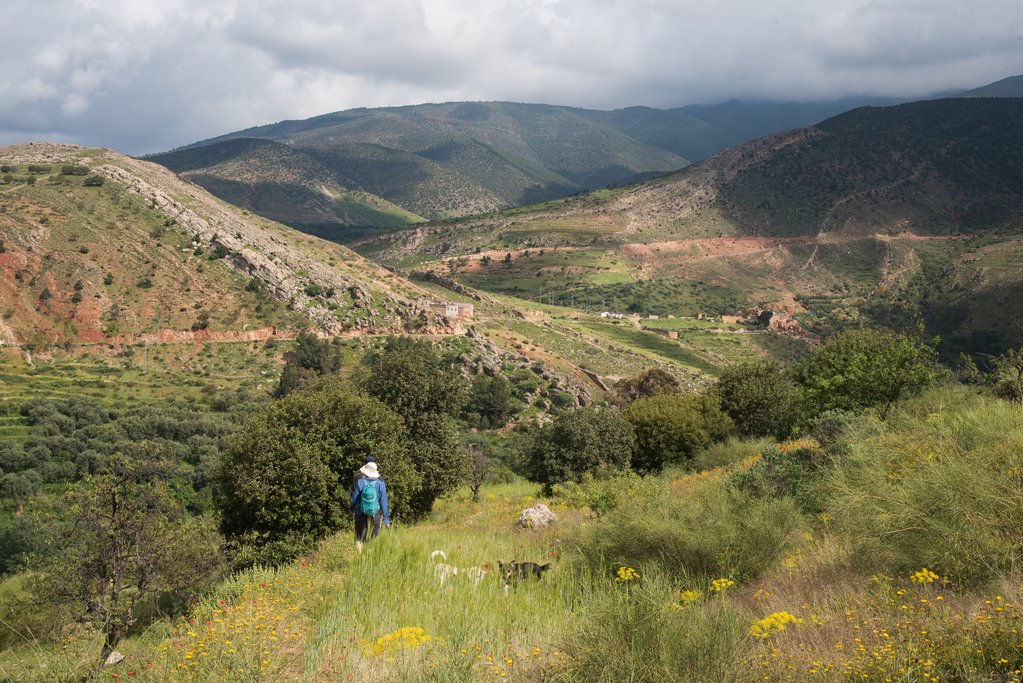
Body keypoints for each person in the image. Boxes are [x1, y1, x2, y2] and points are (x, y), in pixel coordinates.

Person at [351, 459, 389, 552]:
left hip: (360, 513)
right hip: (375, 514)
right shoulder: (381, 484)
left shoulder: (360, 482)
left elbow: (354, 499)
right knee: (372, 539)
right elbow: (384, 502)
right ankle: (369, 558)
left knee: (359, 538)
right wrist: (386, 520)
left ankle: (360, 559)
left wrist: (351, 508)